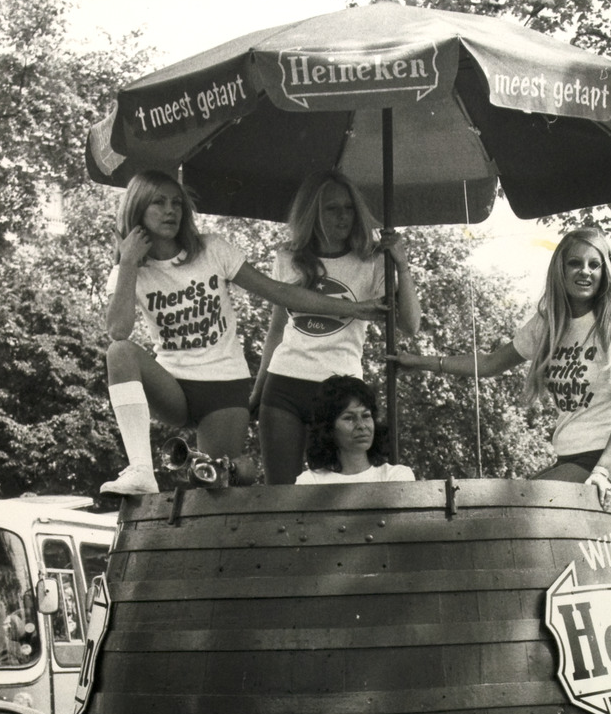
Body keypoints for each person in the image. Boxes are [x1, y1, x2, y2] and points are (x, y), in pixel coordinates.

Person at [102, 170, 387, 496]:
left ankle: (238, 469)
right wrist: (127, 264)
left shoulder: (212, 249)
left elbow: (278, 292)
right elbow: (118, 330)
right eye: (159, 202)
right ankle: (140, 470)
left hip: (224, 388)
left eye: (177, 203)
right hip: (174, 385)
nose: (171, 211)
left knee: (213, 485)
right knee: (119, 352)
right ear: (137, 208)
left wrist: (353, 309)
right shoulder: (128, 269)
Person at [392, 226, 611, 507]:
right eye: (575, 263)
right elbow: (489, 364)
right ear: (560, 268)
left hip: (609, 458)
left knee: (518, 504)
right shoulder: (548, 324)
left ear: (605, 272)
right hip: (570, 456)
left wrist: (602, 470)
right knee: (514, 505)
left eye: (594, 264)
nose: (585, 271)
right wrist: (420, 362)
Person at [250, 170, 422, 485]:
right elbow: (276, 330)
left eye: (349, 208)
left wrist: (401, 264)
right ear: (311, 213)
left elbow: (409, 325)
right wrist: (258, 390)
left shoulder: (372, 260)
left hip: (340, 392)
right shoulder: (289, 257)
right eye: (332, 208)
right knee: (280, 494)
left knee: (333, 493)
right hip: (283, 385)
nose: (343, 216)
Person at [295, 376, 416, 484]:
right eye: (349, 418)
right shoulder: (310, 482)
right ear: (329, 428)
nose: (361, 425)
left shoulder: (395, 477)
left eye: (366, 416)